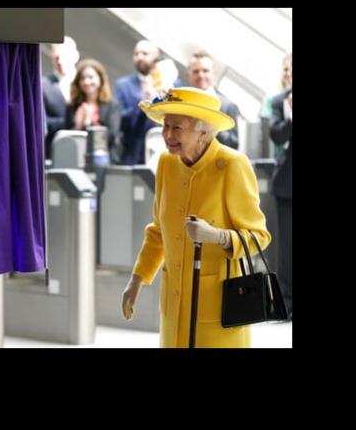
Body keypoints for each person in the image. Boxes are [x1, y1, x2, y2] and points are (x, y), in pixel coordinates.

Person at [120, 87, 270, 348]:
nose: (167, 135)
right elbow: (158, 231)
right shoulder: (167, 163)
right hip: (173, 305)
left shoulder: (232, 165)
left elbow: (259, 237)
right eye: (166, 126)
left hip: (217, 306)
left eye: (177, 128)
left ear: (203, 131)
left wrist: (217, 236)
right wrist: (136, 280)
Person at [114, 40, 182, 165]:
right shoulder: (123, 85)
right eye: (136, 54)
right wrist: (143, 102)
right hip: (134, 153)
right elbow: (121, 122)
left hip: (168, 150)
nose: (139, 57)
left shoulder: (173, 84)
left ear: (155, 57)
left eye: (145, 53)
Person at [269, 53, 292, 321]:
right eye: (287, 68)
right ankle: (287, 304)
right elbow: (276, 134)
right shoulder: (278, 102)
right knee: (287, 250)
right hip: (286, 183)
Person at [65, 59, 123, 162]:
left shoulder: (112, 105)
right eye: (82, 78)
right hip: (76, 158)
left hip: (104, 159)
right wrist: (78, 126)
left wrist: (88, 122)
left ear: (100, 79)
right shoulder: (72, 106)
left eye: (91, 77)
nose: (87, 82)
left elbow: (111, 135)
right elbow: (66, 135)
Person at [186, 50, 240, 150]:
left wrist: (210, 125)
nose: (201, 75)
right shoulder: (181, 105)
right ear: (189, 75)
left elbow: (233, 144)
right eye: (195, 71)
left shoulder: (228, 106)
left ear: (214, 74)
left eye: (205, 71)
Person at [42, 36, 80, 157]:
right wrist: (72, 122)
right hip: (54, 151)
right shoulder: (43, 85)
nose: (60, 62)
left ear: (75, 56)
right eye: (56, 58)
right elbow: (42, 121)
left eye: (65, 56)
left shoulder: (86, 82)